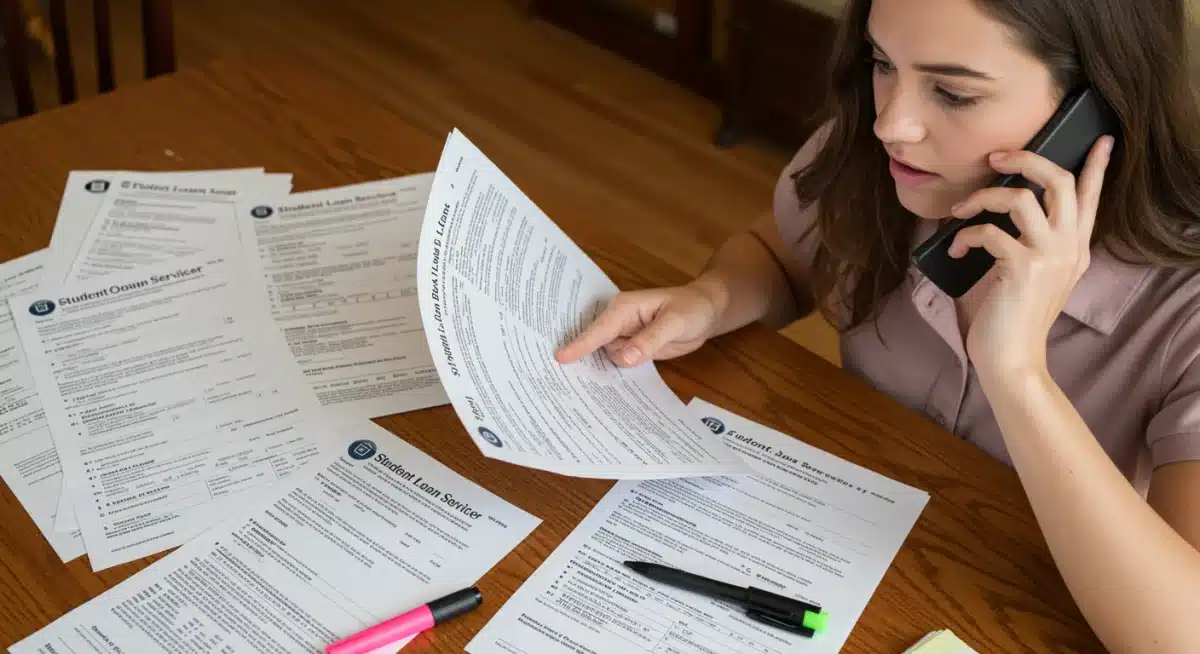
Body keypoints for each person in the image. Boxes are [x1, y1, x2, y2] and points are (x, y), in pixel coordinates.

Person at [555, 0, 1200, 650]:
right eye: (883, 62)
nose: (891, 123)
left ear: (1095, 109)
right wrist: (713, 299)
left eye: (954, 92)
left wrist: (1017, 373)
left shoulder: (1186, 303)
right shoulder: (883, 158)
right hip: (846, 555)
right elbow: (783, 256)